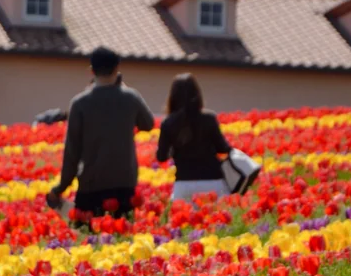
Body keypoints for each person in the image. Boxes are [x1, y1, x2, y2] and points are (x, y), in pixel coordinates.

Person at [47, 47, 155, 224]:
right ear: (117, 68)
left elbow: (72, 152)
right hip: (125, 183)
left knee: (90, 242)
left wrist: (61, 187)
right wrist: (121, 87)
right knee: (123, 241)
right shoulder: (130, 98)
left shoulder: (80, 103)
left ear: (91, 70)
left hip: (91, 185)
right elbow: (148, 124)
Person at [156, 73, 232, 203]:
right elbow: (223, 149)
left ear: (173, 97)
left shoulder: (168, 123)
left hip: (184, 183)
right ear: (197, 94)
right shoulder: (209, 119)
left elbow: (161, 157)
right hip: (213, 181)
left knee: (184, 221)